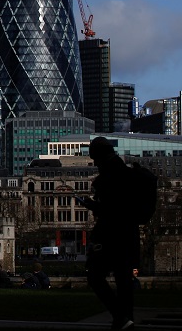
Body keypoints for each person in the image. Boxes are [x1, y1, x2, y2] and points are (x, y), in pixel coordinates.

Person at [79, 137, 138, 330]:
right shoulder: (127, 172)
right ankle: (125, 320)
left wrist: (92, 204)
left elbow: (111, 209)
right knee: (124, 280)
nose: (94, 163)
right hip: (129, 234)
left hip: (112, 235)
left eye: (95, 159)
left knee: (95, 275)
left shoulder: (110, 175)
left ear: (101, 155)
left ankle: (120, 317)